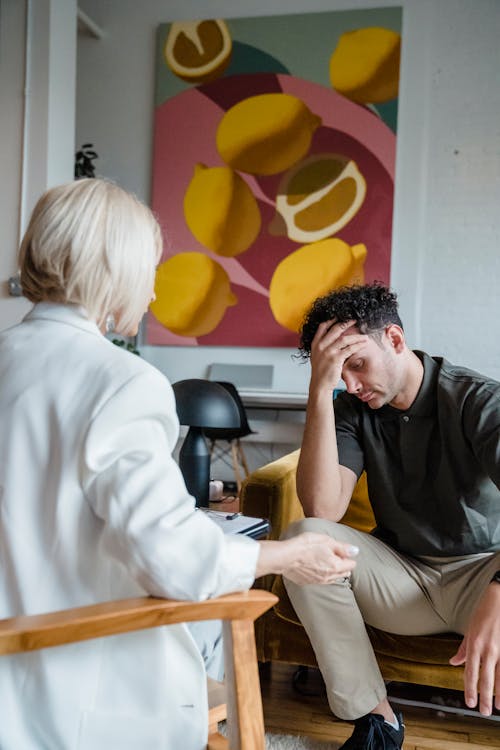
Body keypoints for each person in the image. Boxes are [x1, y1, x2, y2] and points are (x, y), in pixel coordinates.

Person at [0, 179, 359, 750]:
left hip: (15, 651)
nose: (152, 292)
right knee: (218, 614)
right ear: (115, 272)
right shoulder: (120, 382)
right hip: (61, 686)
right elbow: (175, 563)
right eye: (150, 270)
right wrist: (290, 556)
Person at [283, 282, 500, 750]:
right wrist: (320, 390)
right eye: (338, 372)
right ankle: (377, 722)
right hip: (404, 581)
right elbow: (323, 510)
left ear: (396, 341)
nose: (351, 384)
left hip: (483, 576)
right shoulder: (348, 407)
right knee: (305, 539)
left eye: (356, 364)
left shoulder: (478, 400)